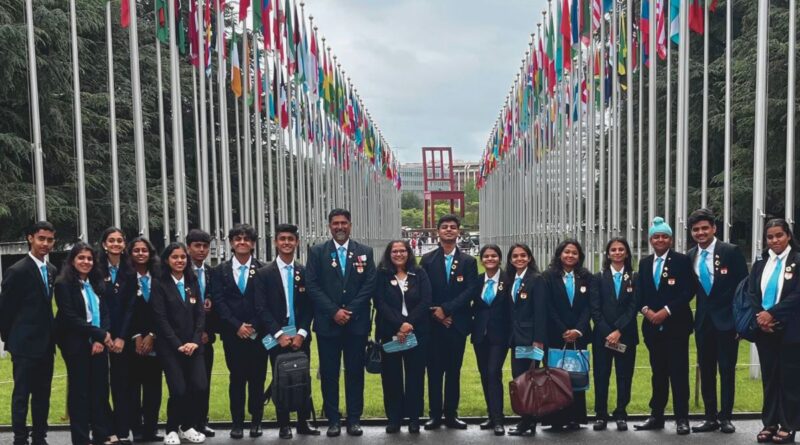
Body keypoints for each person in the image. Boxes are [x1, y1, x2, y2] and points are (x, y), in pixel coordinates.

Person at [306, 208, 376, 437]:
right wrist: (334, 311)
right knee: (329, 374)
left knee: (355, 373)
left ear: (350, 225)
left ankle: (354, 419)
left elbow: (369, 284)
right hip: (328, 324)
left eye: (344, 223)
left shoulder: (364, 252)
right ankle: (333, 420)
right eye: (335, 223)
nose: (340, 227)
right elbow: (312, 285)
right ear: (329, 226)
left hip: (356, 325)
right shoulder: (317, 252)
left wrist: (350, 311)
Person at [253, 224, 320, 439]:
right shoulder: (264, 273)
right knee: (280, 380)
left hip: (300, 337)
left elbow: (309, 306)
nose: (286, 243)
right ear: (276, 242)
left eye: (290, 239)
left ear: (297, 242)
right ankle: (284, 424)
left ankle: (302, 422)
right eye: (282, 239)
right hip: (276, 338)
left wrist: (301, 333)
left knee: (302, 377)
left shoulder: (304, 272)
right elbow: (261, 307)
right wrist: (279, 334)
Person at [686, 209, 748, 434]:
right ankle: (710, 417)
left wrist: (740, 322)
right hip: (704, 323)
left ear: (714, 228)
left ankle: (726, 418)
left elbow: (744, 288)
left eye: (705, 228)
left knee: (727, 370)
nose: (700, 233)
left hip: (728, 321)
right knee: (706, 370)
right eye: (696, 229)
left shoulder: (730, 251)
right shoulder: (690, 255)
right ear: (691, 232)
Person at [634, 217, 694, 435]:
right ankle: (656, 415)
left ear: (671, 239)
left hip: (676, 326)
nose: (660, 240)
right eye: (656, 236)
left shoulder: (682, 260)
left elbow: (689, 290)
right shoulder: (644, 263)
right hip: (652, 328)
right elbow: (639, 293)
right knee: (658, 373)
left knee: (678, 373)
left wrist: (666, 311)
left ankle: (682, 418)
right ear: (650, 240)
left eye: (664, 236)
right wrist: (646, 311)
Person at [0, 221, 57, 445]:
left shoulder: (51, 270)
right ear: (30, 238)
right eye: (41, 238)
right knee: (22, 395)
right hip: (23, 345)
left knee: (43, 395)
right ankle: (20, 438)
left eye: (49, 240)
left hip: (46, 345)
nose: (45, 244)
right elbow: (5, 310)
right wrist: (11, 339)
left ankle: (40, 437)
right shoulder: (17, 271)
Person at [420, 214, 479, 430]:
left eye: (453, 227)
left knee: (454, 372)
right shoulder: (427, 260)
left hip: (457, 324)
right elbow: (423, 291)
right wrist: (437, 312)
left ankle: (451, 414)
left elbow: (471, 290)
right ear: (438, 231)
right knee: (434, 372)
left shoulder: (469, 262)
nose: (448, 230)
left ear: (458, 231)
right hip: (433, 325)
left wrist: (447, 310)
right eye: (444, 227)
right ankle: (435, 415)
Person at [54, 242, 115, 445]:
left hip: (99, 343)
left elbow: (105, 312)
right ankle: (81, 439)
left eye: (89, 258)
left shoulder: (96, 282)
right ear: (72, 261)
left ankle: (101, 435)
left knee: (99, 391)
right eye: (81, 258)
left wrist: (100, 337)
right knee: (79, 392)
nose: (86, 262)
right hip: (76, 344)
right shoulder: (63, 284)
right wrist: (99, 334)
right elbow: (70, 317)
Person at [210, 224, 267, 439]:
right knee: (237, 379)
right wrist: (237, 326)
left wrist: (253, 326)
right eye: (237, 239)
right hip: (232, 335)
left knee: (257, 379)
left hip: (258, 334)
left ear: (253, 244)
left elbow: (265, 301)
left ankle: (256, 421)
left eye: (246, 239)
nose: (242, 242)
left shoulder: (263, 269)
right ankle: (237, 422)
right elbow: (219, 302)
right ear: (232, 243)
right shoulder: (219, 271)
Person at [150, 243, 207, 445]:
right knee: (178, 390)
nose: (179, 260)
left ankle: (187, 426)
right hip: (170, 348)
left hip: (194, 346)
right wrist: (178, 344)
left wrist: (194, 342)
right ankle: (172, 429)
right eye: (175, 257)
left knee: (199, 386)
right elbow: (160, 318)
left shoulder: (192, 280)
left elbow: (200, 314)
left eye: (183, 257)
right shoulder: (159, 283)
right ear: (167, 260)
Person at [749, 218, 800, 444]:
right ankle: (770, 423)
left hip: (791, 329)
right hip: (765, 330)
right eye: (770, 237)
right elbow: (752, 292)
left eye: (779, 235)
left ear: (788, 235)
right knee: (769, 378)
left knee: (790, 379)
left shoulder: (797, 260)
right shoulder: (761, 262)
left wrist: (773, 313)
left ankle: (788, 425)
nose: (775, 240)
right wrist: (761, 316)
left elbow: (797, 294)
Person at [373, 240, 432, 434]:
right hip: (390, 333)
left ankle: (414, 419)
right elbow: (380, 302)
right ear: (389, 254)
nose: (399, 254)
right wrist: (399, 325)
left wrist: (408, 324)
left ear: (409, 253)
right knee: (391, 378)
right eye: (395, 251)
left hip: (416, 333)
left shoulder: (419, 273)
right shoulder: (382, 274)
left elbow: (426, 300)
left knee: (415, 377)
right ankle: (394, 419)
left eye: (402, 251)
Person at [542, 239, 594, 431]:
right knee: (555, 377)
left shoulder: (586, 276)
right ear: (559, 254)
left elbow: (590, 306)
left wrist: (578, 330)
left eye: (574, 253)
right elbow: (548, 305)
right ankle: (556, 419)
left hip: (579, 335)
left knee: (576, 375)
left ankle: (575, 418)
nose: (570, 255)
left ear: (579, 256)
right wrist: (563, 329)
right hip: (556, 335)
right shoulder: (548, 276)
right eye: (566, 252)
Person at [591, 237, 638, 432]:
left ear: (626, 253)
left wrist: (619, 330)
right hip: (602, 337)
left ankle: (621, 413)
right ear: (608, 254)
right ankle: (600, 415)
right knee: (601, 376)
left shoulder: (634, 277)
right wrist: (608, 332)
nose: (617, 252)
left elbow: (634, 306)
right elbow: (595, 309)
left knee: (624, 376)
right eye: (613, 250)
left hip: (626, 336)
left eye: (621, 249)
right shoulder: (598, 277)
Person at [97, 227, 137, 444]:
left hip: (123, 335)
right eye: (111, 240)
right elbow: (97, 303)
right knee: (100, 385)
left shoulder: (130, 270)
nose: (115, 244)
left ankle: (123, 429)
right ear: (104, 244)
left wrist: (121, 336)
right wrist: (105, 335)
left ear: (124, 244)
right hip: (101, 335)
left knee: (122, 384)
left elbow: (131, 306)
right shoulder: (95, 268)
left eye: (119, 240)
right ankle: (106, 429)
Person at [505, 243, 547, 437]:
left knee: (529, 380)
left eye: (523, 255)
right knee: (519, 379)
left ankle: (528, 421)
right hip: (516, 338)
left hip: (531, 340)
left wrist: (538, 340)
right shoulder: (511, 279)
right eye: (515, 256)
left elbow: (540, 311)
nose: (519, 259)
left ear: (529, 258)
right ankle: (527, 418)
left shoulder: (536, 279)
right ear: (510, 259)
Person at [126, 237, 164, 442]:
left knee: (153, 388)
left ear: (150, 254)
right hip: (132, 340)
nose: (140, 254)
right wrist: (136, 336)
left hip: (156, 339)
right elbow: (123, 310)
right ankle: (137, 429)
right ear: (130, 254)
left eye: (144, 250)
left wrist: (152, 335)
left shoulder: (159, 277)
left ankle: (151, 429)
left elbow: (164, 309)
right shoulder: (125, 277)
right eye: (136, 250)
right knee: (133, 388)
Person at [471, 244, 510, 436]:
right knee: (485, 374)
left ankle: (498, 419)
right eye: (486, 256)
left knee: (494, 373)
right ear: (481, 260)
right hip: (480, 334)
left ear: (500, 259)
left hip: (500, 335)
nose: (490, 259)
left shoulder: (508, 280)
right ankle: (491, 415)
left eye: (494, 256)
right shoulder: (477, 281)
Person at [186, 229, 217, 438]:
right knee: (186, 384)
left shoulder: (211, 273)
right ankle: (186, 422)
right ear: (189, 247)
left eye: (205, 246)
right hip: (185, 338)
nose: (201, 250)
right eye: (197, 245)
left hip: (206, 338)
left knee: (204, 382)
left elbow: (217, 305)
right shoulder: (179, 271)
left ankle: (201, 421)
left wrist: (208, 332)